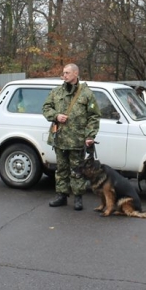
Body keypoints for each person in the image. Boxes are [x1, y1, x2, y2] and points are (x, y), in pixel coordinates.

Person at [42, 63, 101, 210]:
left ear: (76, 74)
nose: (64, 75)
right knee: (61, 169)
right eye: (63, 73)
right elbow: (46, 108)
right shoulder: (56, 92)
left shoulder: (86, 94)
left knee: (77, 169)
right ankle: (61, 196)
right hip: (60, 137)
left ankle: (78, 197)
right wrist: (56, 116)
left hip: (77, 139)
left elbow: (94, 116)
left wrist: (90, 136)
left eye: (67, 73)